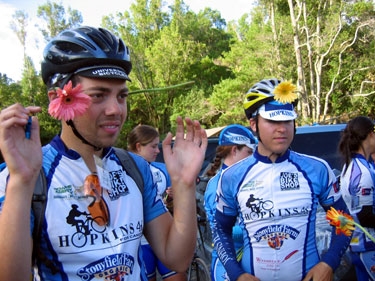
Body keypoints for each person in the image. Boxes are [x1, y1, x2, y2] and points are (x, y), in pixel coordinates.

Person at [0, 26, 207, 281]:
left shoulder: (135, 167)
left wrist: (184, 184)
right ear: (57, 98)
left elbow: (176, 258)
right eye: (98, 95)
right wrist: (21, 182)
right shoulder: (24, 175)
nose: (115, 110)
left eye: (122, 96)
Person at [211, 78, 351, 281]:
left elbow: (345, 221)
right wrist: (237, 274)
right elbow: (220, 231)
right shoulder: (232, 176)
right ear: (253, 124)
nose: (282, 128)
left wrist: (329, 263)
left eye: (287, 120)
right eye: (272, 121)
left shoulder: (317, 169)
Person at [127, 124, 186, 281]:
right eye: (153, 146)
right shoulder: (122, 170)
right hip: (139, 242)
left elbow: (167, 204)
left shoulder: (161, 169)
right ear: (139, 146)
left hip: (165, 235)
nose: (158, 151)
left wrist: (172, 197)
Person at [203, 124, 257, 281]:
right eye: (249, 152)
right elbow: (219, 230)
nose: (253, 157)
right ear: (234, 150)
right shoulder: (217, 184)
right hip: (226, 265)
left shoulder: (246, 179)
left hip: (249, 260)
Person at [338, 116, 375, 281]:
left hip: (360, 244)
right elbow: (364, 216)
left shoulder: (353, 165)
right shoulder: (362, 171)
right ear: (370, 135)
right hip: (367, 244)